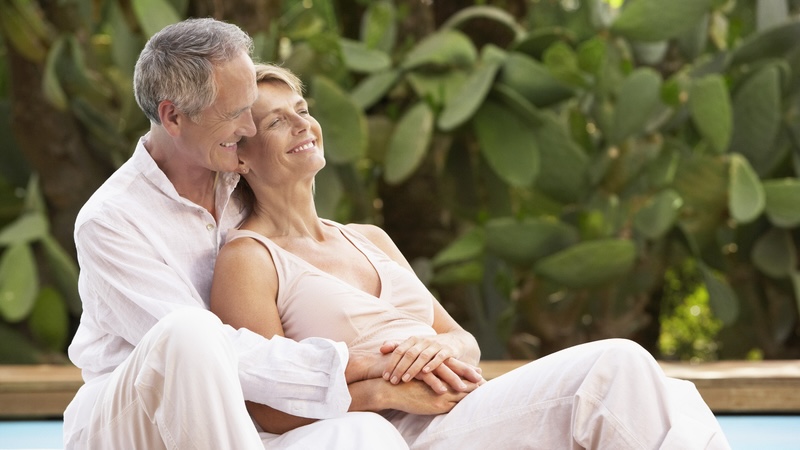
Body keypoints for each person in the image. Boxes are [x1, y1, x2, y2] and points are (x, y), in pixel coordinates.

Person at [210, 62, 733, 449]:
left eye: (302, 110)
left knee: (672, 396)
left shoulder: (368, 238)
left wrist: (439, 349)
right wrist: (384, 392)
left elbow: (463, 340)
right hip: (401, 429)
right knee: (615, 367)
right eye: (276, 122)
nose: (302, 124)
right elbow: (263, 406)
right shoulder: (250, 258)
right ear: (241, 155)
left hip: (466, 407)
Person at [63, 18, 409, 449]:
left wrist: (404, 363)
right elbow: (209, 354)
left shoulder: (247, 181)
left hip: (241, 422)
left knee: (364, 432)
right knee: (189, 332)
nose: (250, 127)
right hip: (136, 423)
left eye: (251, 107)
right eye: (234, 114)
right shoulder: (111, 220)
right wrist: (354, 364)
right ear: (173, 116)